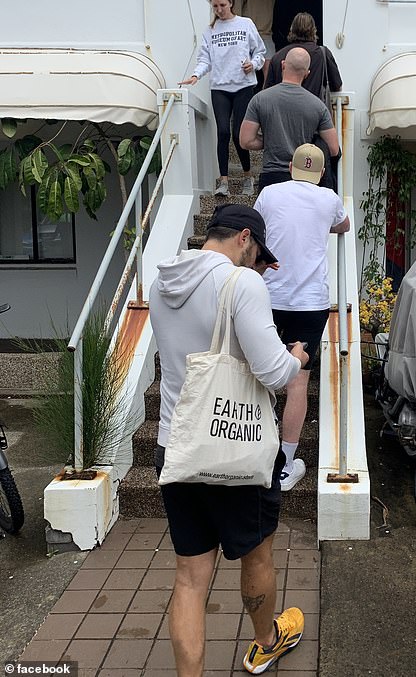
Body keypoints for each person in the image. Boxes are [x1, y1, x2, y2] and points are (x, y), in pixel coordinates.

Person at [149, 204, 309, 676]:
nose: (258, 266)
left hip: (177, 444)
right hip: (234, 445)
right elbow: (272, 371)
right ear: (244, 238)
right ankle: (264, 642)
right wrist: (295, 357)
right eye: (258, 254)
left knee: (190, 578)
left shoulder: (163, 283)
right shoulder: (241, 284)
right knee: (256, 552)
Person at [254, 144, 350, 489]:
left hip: (268, 297)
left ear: (290, 168)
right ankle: (286, 463)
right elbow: (345, 226)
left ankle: (255, 451)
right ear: (321, 173)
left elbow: (257, 228)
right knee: (298, 383)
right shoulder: (328, 198)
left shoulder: (268, 193)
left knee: (259, 373)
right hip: (310, 303)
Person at [180, 0, 264, 197]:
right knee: (223, 132)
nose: (218, 9)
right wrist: (195, 75)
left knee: (239, 134)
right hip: (220, 87)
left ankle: (247, 176)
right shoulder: (210, 31)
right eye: (215, 6)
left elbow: (260, 52)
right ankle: (224, 181)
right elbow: (204, 59)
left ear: (231, 3)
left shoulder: (245, 24)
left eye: (222, 5)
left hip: (243, 85)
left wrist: (252, 64)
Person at [239, 47, 340, 191]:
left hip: (271, 177)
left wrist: (270, 140)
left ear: (283, 65)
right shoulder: (318, 106)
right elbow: (333, 149)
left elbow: (245, 141)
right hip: (305, 177)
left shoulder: (259, 99)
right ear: (307, 74)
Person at [264, 12, 342, 97]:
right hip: (313, 108)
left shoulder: (277, 56)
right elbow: (337, 86)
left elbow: (268, 91)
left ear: (291, 30)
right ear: (314, 30)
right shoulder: (323, 53)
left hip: (282, 107)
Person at [233, 0, 278, 81]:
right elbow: (237, 3)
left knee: (269, 69)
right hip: (247, 31)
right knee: (245, 67)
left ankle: (266, 96)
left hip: (266, 32)